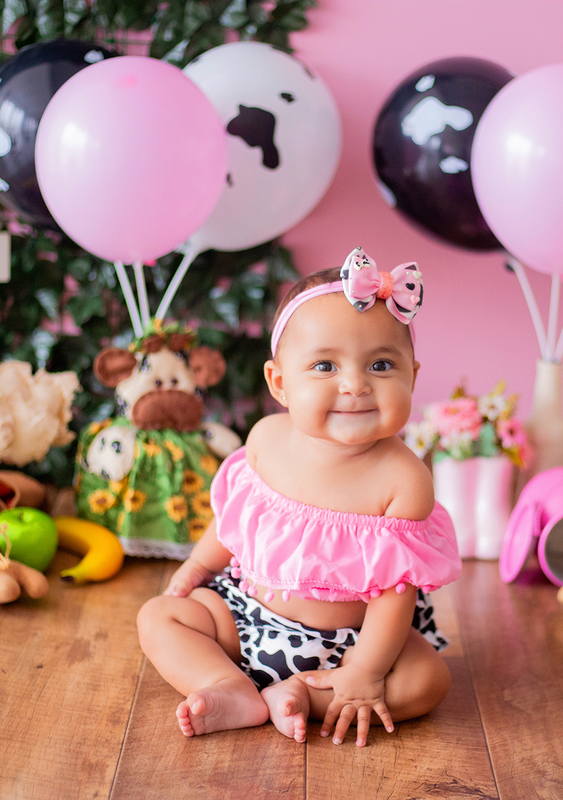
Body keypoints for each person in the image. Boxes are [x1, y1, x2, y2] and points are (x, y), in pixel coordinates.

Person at [136, 246, 461, 747]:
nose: (355, 385)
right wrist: (198, 567)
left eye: (380, 365)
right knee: (159, 616)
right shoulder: (266, 440)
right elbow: (235, 520)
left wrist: (366, 670)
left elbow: (397, 594)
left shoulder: (404, 480)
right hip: (244, 617)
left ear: (412, 377)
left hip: (352, 645)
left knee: (428, 680)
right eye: (325, 366)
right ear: (280, 383)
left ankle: (306, 695)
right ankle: (227, 684)